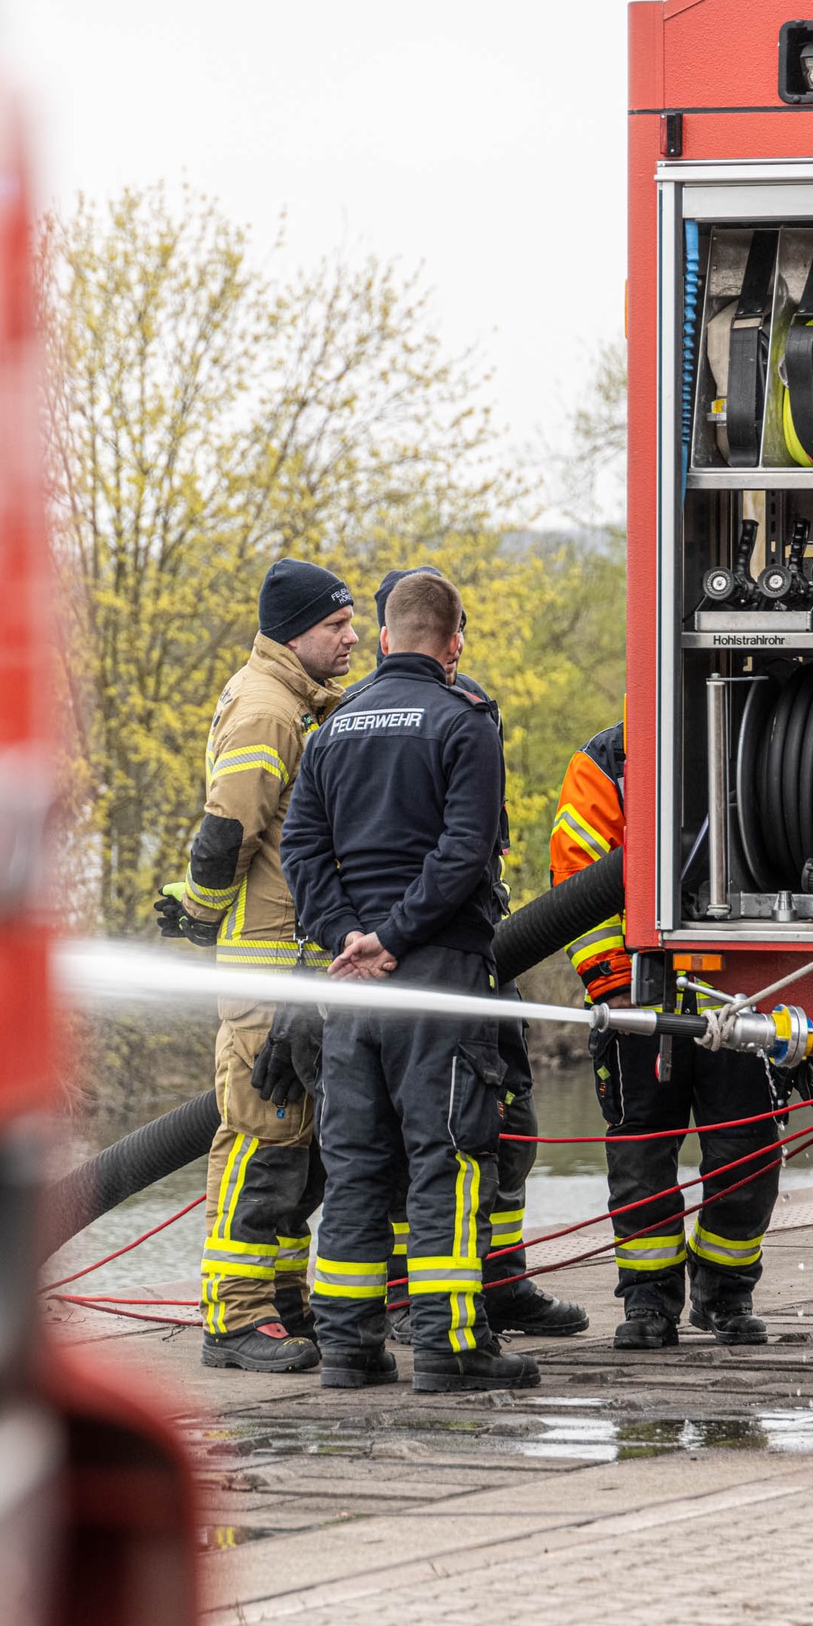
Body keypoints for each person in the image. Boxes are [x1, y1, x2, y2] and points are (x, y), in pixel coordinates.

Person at [281, 569, 542, 1393]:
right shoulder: (465, 724)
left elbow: (301, 854)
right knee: (451, 1156)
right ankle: (451, 1347)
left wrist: (347, 939)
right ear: (453, 643)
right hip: (436, 978)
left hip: (351, 984)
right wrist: (393, 939)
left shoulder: (333, 729)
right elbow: (466, 855)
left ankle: (352, 1350)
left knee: (357, 1164)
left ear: (387, 638)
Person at [369, 567, 588, 1343]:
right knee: (421, 1135)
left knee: (510, 1117)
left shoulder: (463, 714)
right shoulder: (380, 723)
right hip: (416, 962)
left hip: (475, 954)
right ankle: (411, 1302)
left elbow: (477, 847)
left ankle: (499, 1280)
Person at [156, 558, 357, 1374]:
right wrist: (201, 917)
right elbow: (228, 831)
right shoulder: (268, 709)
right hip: (263, 964)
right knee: (261, 1134)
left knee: (296, 1140)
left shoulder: (294, 702)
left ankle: (278, 1300)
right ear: (293, 631)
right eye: (334, 626)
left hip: (292, 960)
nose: (350, 638)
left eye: (351, 623)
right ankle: (234, 1319)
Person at [551, 713, 777, 1349]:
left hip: (742, 995)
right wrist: (614, 986)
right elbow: (576, 877)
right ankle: (648, 1301)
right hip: (638, 996)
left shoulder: (763, 737)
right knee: (641, 1153)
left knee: (747, 1149)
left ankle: (725, 1293)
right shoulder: (604, 762)